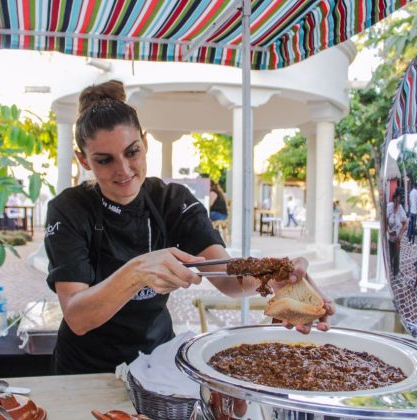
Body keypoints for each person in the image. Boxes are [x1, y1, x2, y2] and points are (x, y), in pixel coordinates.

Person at [44, 80, 334, 375]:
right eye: (104, 160)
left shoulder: (171, 200)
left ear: (145, 143)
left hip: (154, 364)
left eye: (132, 152)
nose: (124, 170)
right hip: (84, 370)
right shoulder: (68, 209)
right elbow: (78, 317)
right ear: (83, 160)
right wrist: (139, 271)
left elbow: (228, 278)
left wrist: (275, 274)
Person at [386, 188, 408, 277]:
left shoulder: (401, 208)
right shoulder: (389, 207)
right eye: (397, 200)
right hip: (390, 236)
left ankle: (395, 273)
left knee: (397, 257)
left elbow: (406, 224)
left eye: (399, 201)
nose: (397, 203)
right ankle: (390, 272)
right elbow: (386, 221)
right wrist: (388, 230)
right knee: (390, 256)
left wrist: (400, 234)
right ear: (394, 198)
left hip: (397, 237)